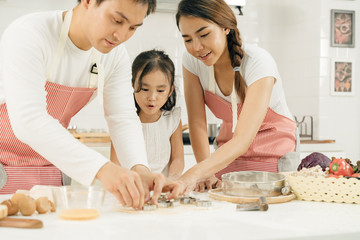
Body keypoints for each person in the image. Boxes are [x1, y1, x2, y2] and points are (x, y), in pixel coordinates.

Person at [0, 0, 180, 209]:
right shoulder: (29, 34)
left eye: (132, 28)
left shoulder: (113, 55)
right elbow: (28, 121)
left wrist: (140, 170)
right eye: (117, 20)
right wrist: (103, 169)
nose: (121, 36)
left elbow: (122, 118)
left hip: (49, 169)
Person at [175, 0, 298, 193]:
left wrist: (192, 174)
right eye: (188, 39)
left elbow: (242, 139)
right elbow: (197, 123)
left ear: (225, 28)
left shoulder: (258, 62)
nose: (197, 47)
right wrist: (206, 171)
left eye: (204, 34)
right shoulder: (191, 61)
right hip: (227, 154)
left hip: (273, 155)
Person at [110, 50, 184, 180]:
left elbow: (177, 159)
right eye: (145, 89)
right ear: (132, 85)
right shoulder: (123, 121)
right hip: (132, 188)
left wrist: (171, 180)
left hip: (162, 189)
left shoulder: (172, 120)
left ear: (170, 90)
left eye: (160, 90)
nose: (152, 98)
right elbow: (115, 163)